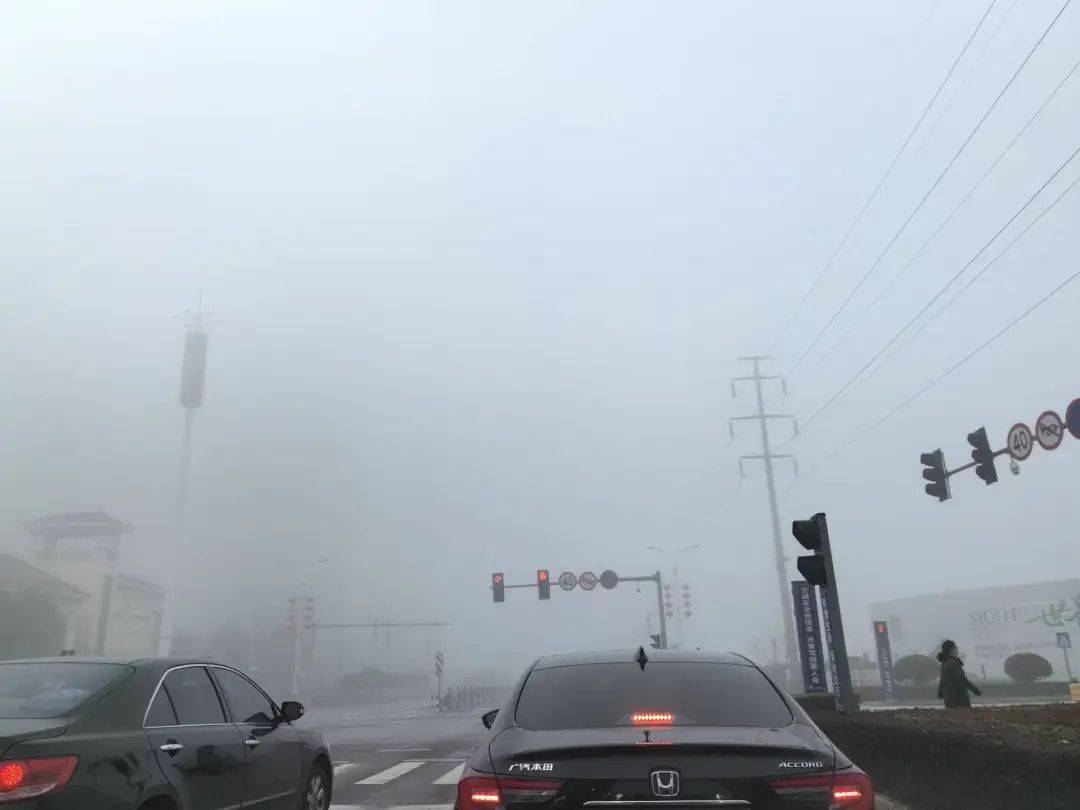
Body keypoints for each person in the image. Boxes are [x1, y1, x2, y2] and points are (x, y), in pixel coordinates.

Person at [937, 639, 981, 708]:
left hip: (949, 699)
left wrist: (940, 693)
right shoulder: (952, 662)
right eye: (955, 647)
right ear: (951, 650)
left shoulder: (944, 662)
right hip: (958, 698)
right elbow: (962, 678)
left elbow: (942, 680)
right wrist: (975, 690)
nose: (957, 649)